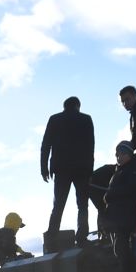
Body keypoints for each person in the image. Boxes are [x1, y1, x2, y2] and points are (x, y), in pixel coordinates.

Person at [40, 96, 95, 246]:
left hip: (61, 169)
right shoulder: (86, 119)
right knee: (83, 205)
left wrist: (43, 167)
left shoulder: (54, 119)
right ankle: (82, 236)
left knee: (58, 204)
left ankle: (52, 235)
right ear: (78, 106)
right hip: (82, 169)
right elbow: (91, 146)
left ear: (64, 106)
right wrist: (91, 170)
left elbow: (46, 145)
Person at [100, 141, 136, 272]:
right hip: (117, 218)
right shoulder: (120, 170)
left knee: (123, 251)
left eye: (120, 154)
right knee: (119, 250)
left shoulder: (133, 170)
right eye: (116, 154)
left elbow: (131, 189)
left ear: (128, 154)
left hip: (125, 218)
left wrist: (110, 195)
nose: (118, 157)